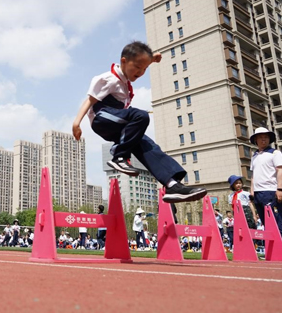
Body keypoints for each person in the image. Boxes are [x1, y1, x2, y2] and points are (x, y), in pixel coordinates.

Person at [72, 41, 206, 203]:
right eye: (137, 67)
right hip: (103, 118)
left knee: (149, 146)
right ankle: (119, 157)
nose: (140, 72)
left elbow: (141, 61)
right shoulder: (109, 79)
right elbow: (90, 100)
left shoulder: (126, 81)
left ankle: (172, 185)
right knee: (140, 116)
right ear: (123, 61)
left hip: (120, 125)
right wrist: (76, 123)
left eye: (144, 69)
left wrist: (152, 59)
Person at [249, 127, 282, 250]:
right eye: (261, 137)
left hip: (271, 191)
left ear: (269, 139)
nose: (263, 139)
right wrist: (252, 191)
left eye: (266, 137)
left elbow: (280, 170)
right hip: (258, 193)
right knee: (266, 223)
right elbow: (253, 175)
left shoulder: (275, 153)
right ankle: (272, 249)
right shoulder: (254, 156)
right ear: (256, 139)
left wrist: (280, 189)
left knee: (277, 221)